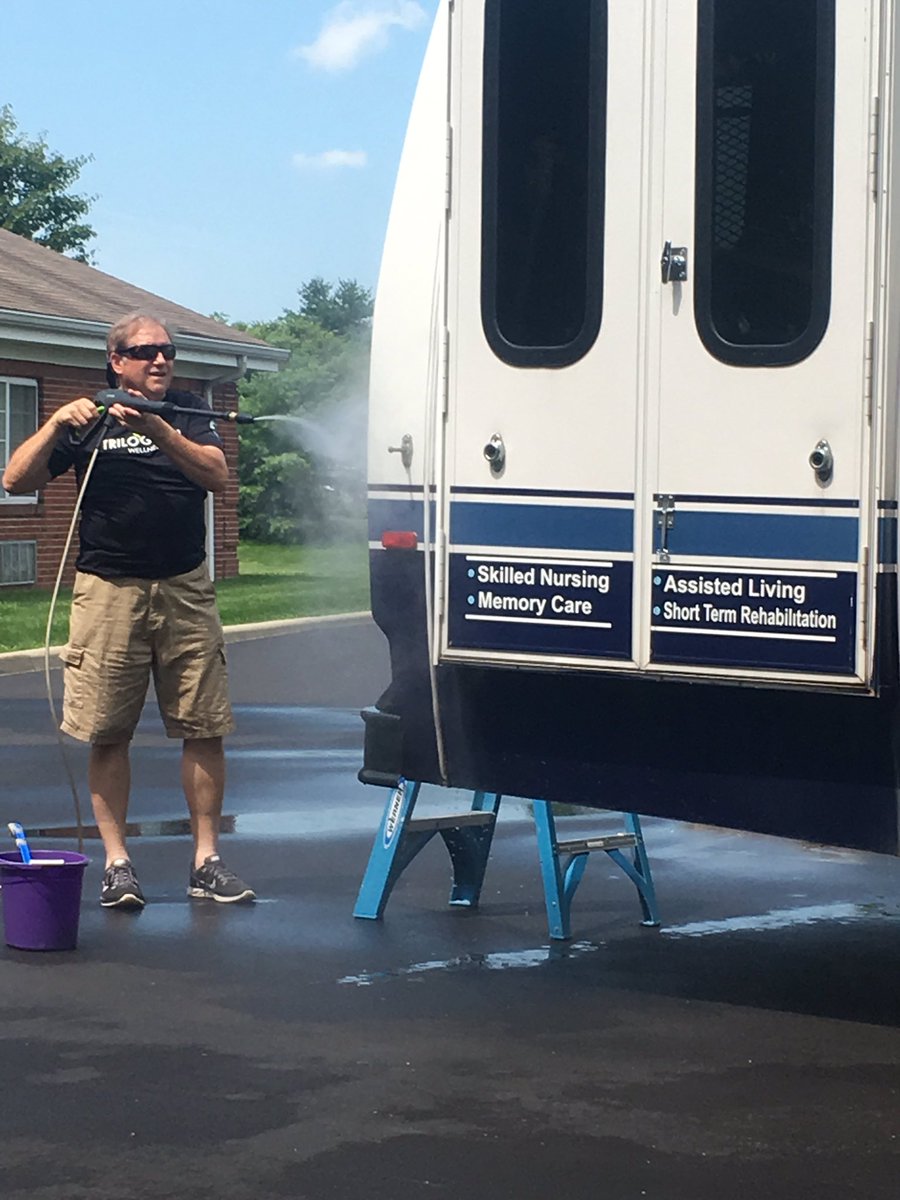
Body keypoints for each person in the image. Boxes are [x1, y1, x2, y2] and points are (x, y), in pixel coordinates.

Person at [1, 312, 255, 909]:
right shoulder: (88, 416)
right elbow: (15, 479)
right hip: (107, 589)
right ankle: (118, 865)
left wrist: (159, 428)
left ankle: (206, 861)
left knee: (204, 724)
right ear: (116, 360)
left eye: (167, 350)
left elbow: (217, 476)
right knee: (107, 730)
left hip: (185, 587)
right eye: (145, 351)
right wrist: (56, 423)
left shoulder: (190, 409)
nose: (160, 360)